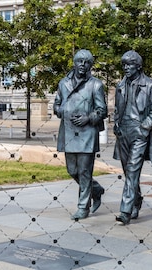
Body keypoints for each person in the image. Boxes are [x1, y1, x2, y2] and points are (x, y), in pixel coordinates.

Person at [53, 49, 108, 220]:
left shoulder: (96, 85)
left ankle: (83, 207)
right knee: (72, 170)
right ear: (74, 63)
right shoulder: (63, 83)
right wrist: (61, 110)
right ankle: (96, 189)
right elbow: (56, 104)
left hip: (87, 133)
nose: (83, 65)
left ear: (90, 65)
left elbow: (102, 110)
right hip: (69, 131)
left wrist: (88, 118)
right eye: (79, 61)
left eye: (87, 62)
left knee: (84, 171)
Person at [113, 50, 152, 225]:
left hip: (139, 133)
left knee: (133, 170)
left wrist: (144, 127)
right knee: (128, 172)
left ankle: (125, 211)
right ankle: (136, 199)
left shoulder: (149, 85)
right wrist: (116, 124)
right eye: (124, 65)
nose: (126, 68)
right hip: (123, 133)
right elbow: (117, 109)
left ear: (138, 66)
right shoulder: (121, 85)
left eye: (129, 64)